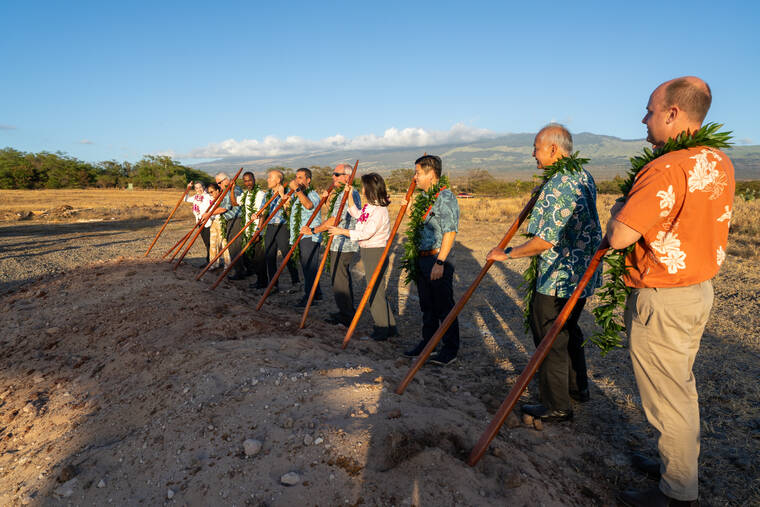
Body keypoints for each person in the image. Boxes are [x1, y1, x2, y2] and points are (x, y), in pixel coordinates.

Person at [607, 77, 735, 507]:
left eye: (649, 110)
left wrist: (617, 211)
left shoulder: (667, 167)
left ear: (673, 113)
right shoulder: (719, 161)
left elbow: (621, 237)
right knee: (680, 386)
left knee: (669, 396)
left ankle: (678, 493)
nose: (644, 119)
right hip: (697, 289)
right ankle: (675, 464)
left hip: (663, 295)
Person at [487, 124, 602, 423]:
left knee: (550, 336)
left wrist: (507, 253)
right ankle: (578, 389)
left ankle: (557, 405)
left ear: (553, 149)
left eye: (536, 147)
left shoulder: (560, 182)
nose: (533, 154)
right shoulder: (582, 175)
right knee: (568, 331)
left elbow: (544, 241)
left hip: (558, 275)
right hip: (580, 273)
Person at [402, 155, 460, 365]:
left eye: (418, 172)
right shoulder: (426, 197)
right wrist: (408, 208)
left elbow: (450, 232)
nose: (414, 177)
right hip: (423, 258)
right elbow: (423, 224)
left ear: (431, 174)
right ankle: (429, 343)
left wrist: (440, 262)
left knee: (444, 305)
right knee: (427, 305)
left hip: (437, 257)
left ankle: (450, 350)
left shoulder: (445, 197)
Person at [329, 172, 397, 340]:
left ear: (370, 189)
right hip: (368, 251)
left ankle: (381, 328)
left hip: (375, 251)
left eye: (363, 187)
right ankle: (390, 326)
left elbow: (365, 233)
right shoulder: (370, 207)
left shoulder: (380, 210)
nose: (362, 190)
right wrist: (350, 195)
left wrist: (341, 231)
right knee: (377, 289)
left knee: (374, 290)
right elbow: (357, 214)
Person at [308, 164, 362, 326]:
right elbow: (335, 212)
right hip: (338, 241)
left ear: (347, 177)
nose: (333, 177)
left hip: (344, 243)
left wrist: (314, 230)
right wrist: (329, 198)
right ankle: (345, 311)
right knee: (339, 278)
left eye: (337, 174)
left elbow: (335, 220)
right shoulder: (341, 193)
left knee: (340, 279)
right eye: (333, 174)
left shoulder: (349, 193)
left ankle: (347, 316)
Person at [286, 167, 323, 306]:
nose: (297, 180)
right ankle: (317, 293)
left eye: (300, 177)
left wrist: (297, 190)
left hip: (309, 236)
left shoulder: (311, 194)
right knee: (307, 267)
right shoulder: (300, 195)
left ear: (308, 180)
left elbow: (308, 205)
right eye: (296, 177)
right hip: (301, 236)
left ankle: (310, 298)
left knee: (310, 267)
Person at [201, 172, 244, 280]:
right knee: (232, 246)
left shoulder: (234, 190)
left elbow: (225, 208)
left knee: (234, 246)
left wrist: (208, 214)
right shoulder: (226, 191)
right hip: (229, 220)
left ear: (226, 180)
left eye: (219, 183)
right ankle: (238, 269)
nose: (219, 186)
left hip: (236, 220)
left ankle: (239, 271)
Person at [263, 169, 300, 291]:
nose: (267, 180)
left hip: (283, 226)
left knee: (286, 253)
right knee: (269, 254)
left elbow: (290, 212)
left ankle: (296, 281)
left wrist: (282, 196)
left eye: (270, 177)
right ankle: (273, 284)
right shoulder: (267, 194)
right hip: (270, 226)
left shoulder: (289, 193)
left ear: (278, 180)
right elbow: (263, 211)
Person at [238, 171, 268, 288]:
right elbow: (235, 202)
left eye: (250, 180)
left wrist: (258, 230)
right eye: (245, 181)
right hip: (248, 230)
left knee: (259, 258)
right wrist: (231, 189)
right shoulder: (246, 194)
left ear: (254, 180)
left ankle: (263, 282)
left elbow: (263, 213)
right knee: (253, 257)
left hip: (257, 230)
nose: (248, 183)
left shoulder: (260, 194)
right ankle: (259, 280)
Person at [184, 181, 214, 263]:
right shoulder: (195, 197)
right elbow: (185, 198)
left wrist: (209, 216)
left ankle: (211, 261)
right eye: (196, 188)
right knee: (206, 242)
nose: (199, 189)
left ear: (204, 187)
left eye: (200, 187)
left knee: (209, 242)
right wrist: (188, 188)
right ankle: (209, 260)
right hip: (199, 222)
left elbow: (213, 207)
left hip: (209, 222)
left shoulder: (208, 196)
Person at [205, 183, 228, 270]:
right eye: (209, 192)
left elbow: (223, 209)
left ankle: (227, 264)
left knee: (224, 243)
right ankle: (213, 263)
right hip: (213, 221)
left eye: (212, 192)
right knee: (213, 243)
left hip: (222, 221)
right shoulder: (211, 199)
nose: (210, 194)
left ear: (217, 190)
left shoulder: (223, 198)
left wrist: (209, 214)